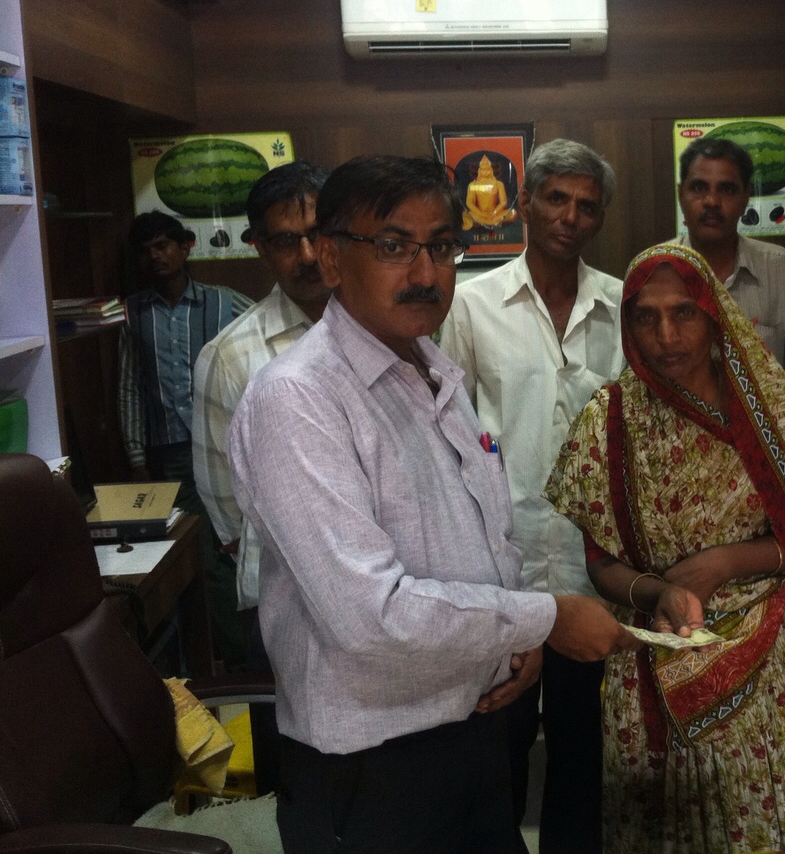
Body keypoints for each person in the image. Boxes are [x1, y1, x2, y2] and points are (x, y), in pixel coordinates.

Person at [226, 155, 638, 854]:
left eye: (442, 247)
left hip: (469, 731)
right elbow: (371, 618)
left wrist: (514, 636)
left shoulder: (428, 369)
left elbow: (483, 533)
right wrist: (541, 618)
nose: (425, 273)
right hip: (374, 770)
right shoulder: (298, 399)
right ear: (332, 258)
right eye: (393, 247)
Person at [545, 243, 785, 853]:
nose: (666, 335)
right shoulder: (611, 420)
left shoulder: (763, 408)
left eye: (683, 313)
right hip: (655, 653)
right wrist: (660, 592)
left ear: (713, 315)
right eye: (645, 317)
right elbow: (600, 563)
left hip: (768, 662)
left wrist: (722, 564)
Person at [439, 138, 623, 853]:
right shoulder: (472, 305)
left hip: (591, 573)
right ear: (524, 204)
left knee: (582, 756)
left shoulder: (621, 305)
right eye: (556, 199)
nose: (570, 217)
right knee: (498, 749)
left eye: (586, 206)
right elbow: (448, 435)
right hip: (502, 572)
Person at [192, 160, 330, 791]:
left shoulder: (389, 331)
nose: (308, 255)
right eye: (285, 241)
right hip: (284, 595)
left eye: (317, 233)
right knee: (294, 763)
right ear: (259, 247)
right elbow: (224, 501)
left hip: (386, 587)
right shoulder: (231, 356)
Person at [118, 210, 253, 668]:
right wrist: (137, 459)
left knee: (234, 546)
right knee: (195, 557)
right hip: (169, 457)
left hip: (224, 448)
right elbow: (130, 388)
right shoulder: (133, 313)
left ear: (184, 247)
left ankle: (248, 653)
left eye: (162, 245)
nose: (155, 257)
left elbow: (268, 333)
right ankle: (230, 658)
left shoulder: (223, 302)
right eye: (145, 251)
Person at [675, 137, 785, 398]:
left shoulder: (783, 270)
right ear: (681, 195)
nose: (712, 201)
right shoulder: (655, 271)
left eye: (726, 189)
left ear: (746, 198)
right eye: (699, 187)